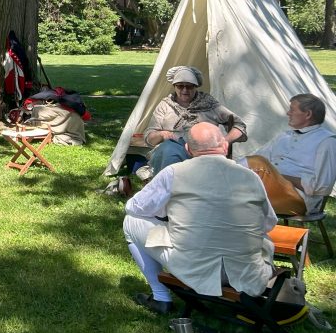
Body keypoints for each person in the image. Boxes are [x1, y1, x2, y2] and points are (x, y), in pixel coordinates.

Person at [123, 122, 277, 316]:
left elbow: (134, 207)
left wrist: (166, 215)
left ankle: (161, 297)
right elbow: (268, 223)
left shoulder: (174, 173)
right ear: (225, 146)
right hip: (246, 270)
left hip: (195, 268)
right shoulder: (250, 177)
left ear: (187, 149)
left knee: (130, 221)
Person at [144, 65, 246, 176]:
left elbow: (239, 125)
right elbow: (149, 138)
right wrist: (161, 134)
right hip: (175, 147)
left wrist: (225, 141)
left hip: (204, 150)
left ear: (195, 86)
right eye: (180, 86)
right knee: (168, 151)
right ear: (174, 86)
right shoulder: (165, 105)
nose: (184, 90)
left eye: (189, 87)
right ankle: (171, 187)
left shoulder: (209, 104)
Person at [245, 94, 336, 216]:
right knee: (248, 164)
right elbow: (253, 159)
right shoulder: (284, 136)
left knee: (255, 166)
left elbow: (321, 187)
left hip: (299, 200)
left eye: (292, 109)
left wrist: (279, 177)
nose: (288, 113)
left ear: (308, 114)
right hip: (270, 190)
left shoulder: (326, 141)